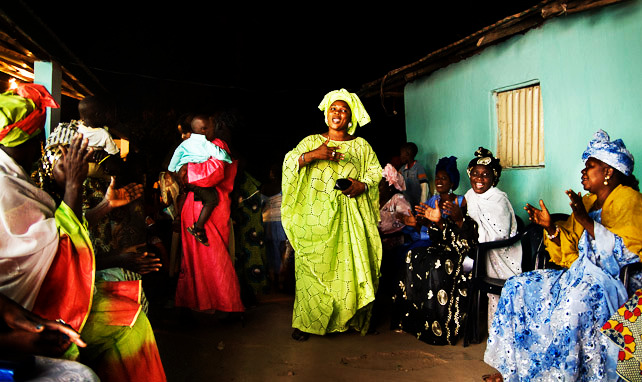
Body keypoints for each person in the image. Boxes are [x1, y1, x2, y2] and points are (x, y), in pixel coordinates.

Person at [484, 130, 642, 381]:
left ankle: (562, 376)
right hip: (579, 273)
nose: (583, 171)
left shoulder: (629, 200)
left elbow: (628, 254)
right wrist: (549, 227)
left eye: (590, 166)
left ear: (608, 172)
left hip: (614, 279)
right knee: (517, 286)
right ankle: (511, 371)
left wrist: (585, 221)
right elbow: (568, 253)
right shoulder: (588, 203)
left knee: (573, 302)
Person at [40, 122, 167, 382]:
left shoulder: (71, 190)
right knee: (131, 324)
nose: (84, 165)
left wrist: (107, 205)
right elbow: (64, 254)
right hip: (54, 300)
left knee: (132, 297)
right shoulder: (40, 198)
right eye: (74, 159)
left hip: (84, 275)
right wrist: (117, 258)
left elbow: (75, 226)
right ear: (54, 159)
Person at [281, 88, 383, 341]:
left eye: (343, 110)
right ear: (327, 114)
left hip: (351, 218)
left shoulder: (361, 146)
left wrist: (363, 185)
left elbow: (375, 171)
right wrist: (314, 155)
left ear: (351, 117)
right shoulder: (311, 141)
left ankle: (349, 318)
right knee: (310, 270)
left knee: (350, 267)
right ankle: (307, 322)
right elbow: (289, 162)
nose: (337, 113)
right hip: (315, 219)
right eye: (333, 109)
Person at [391, 155, 477, 345]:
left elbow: (464, 229)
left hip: (455, 247)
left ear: (452, 181)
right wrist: (417, 222)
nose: (438, 181)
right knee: (411, 256)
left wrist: (442, 221)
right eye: (437, 178)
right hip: (436, 241)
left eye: (443, 178)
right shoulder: (432, 200)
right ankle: (414, 321)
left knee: (433, 263)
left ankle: (439, 326)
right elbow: (426, 225)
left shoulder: (462, 202)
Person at [174, 113, 244, 314]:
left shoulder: (218, 144)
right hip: (202, 208)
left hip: (206, 209)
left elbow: (212, 174)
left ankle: (212, 303)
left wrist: (188, 171)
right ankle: (214, 304)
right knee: (206, 259)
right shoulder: (206, 145)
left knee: (208, 258)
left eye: (207, 127)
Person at [464, 148, 522, 330]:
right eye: (475, 174)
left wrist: (473, 235)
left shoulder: (498, 199)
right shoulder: (469, 195)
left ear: (493, 179)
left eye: (485, 175)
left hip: (498, 253)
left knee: (464, 265)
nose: (479, 179)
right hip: (475, 250)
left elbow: (500, 233)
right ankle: (462, 324)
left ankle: (498, 333)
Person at [168, 114, 232, 246]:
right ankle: (198, 228)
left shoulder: (210, 144)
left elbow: (175, 165)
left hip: (199, 209)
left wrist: (183, 170)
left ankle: (197, 227)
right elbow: (215, 170)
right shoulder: (211, 145)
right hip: (203, 211)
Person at [399, 142, 429, 211]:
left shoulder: (418, 168)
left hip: (419, 206)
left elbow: (424, 188)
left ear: (407, 154)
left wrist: (422, 207)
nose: (400, 156)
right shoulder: (402, 169)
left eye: (401, 153)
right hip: (409, 205)